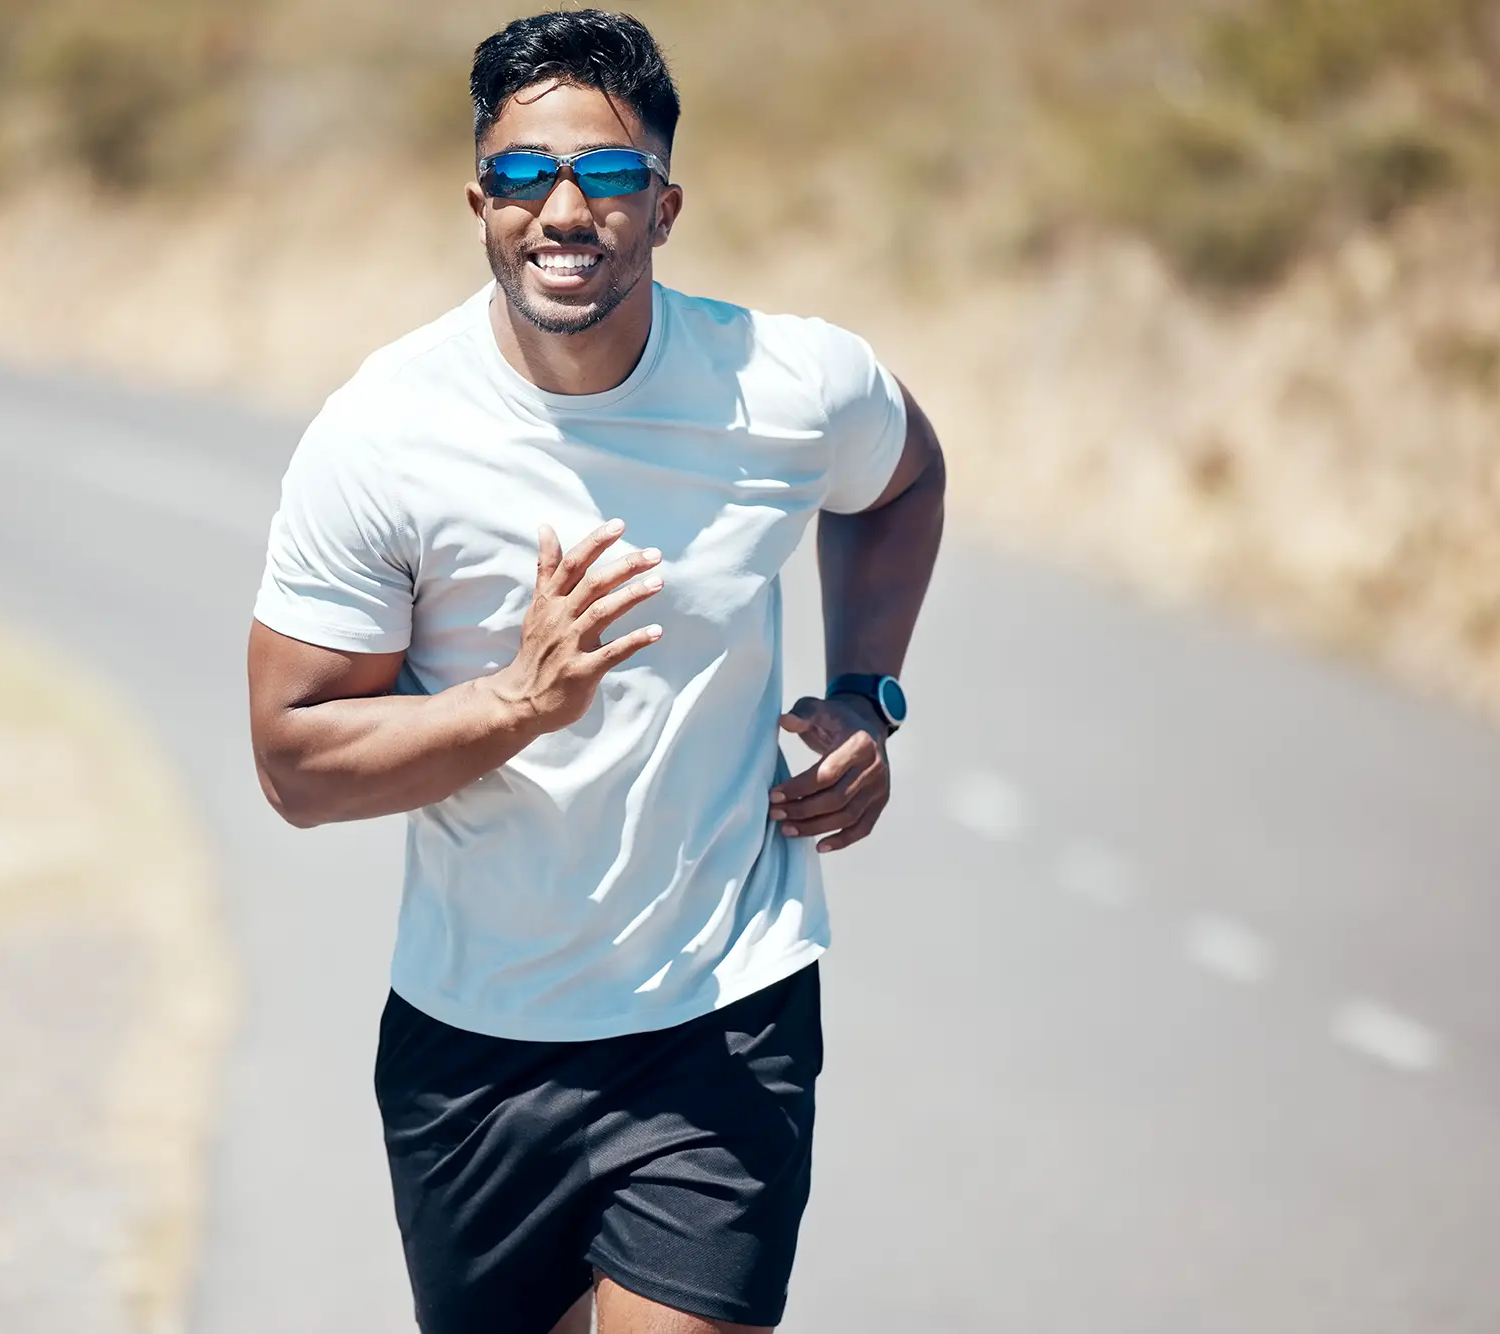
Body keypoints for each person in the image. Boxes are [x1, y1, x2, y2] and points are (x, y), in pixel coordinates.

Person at [247, 9, 944, 1332]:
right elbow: (293, 760)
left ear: (665, 207)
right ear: (479, 201)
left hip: (722, 1011)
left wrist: (869, 690)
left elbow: (903, 478)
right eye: (525, 175)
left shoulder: (787, 384)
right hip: (474, 1039)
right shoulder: (385, 436)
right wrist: (521, 700)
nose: (565, 207)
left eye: (608, 176)